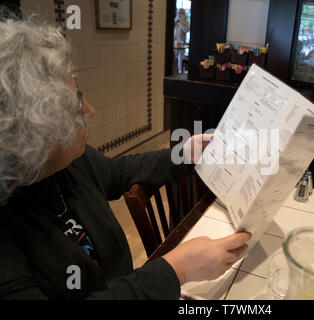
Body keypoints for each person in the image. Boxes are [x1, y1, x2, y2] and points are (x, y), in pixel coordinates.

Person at [0, 16, 251, 299]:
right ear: (31, 137)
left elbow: (117, 172)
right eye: (73, 107)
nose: (90, 110)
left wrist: (184, 154)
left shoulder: (70, 164)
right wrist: (176, 269)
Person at [173, 8, 189, 74]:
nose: (178, 14)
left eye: (180, 13)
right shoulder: (175, 20)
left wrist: (180, 23)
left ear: (183, 14)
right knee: (174, 60)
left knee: (180, 61)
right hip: (174, 44)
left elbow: (186, 30)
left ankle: (180, 73)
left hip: (182, 44)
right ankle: (174, 72)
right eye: (178, 13)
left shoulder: (186, 22)